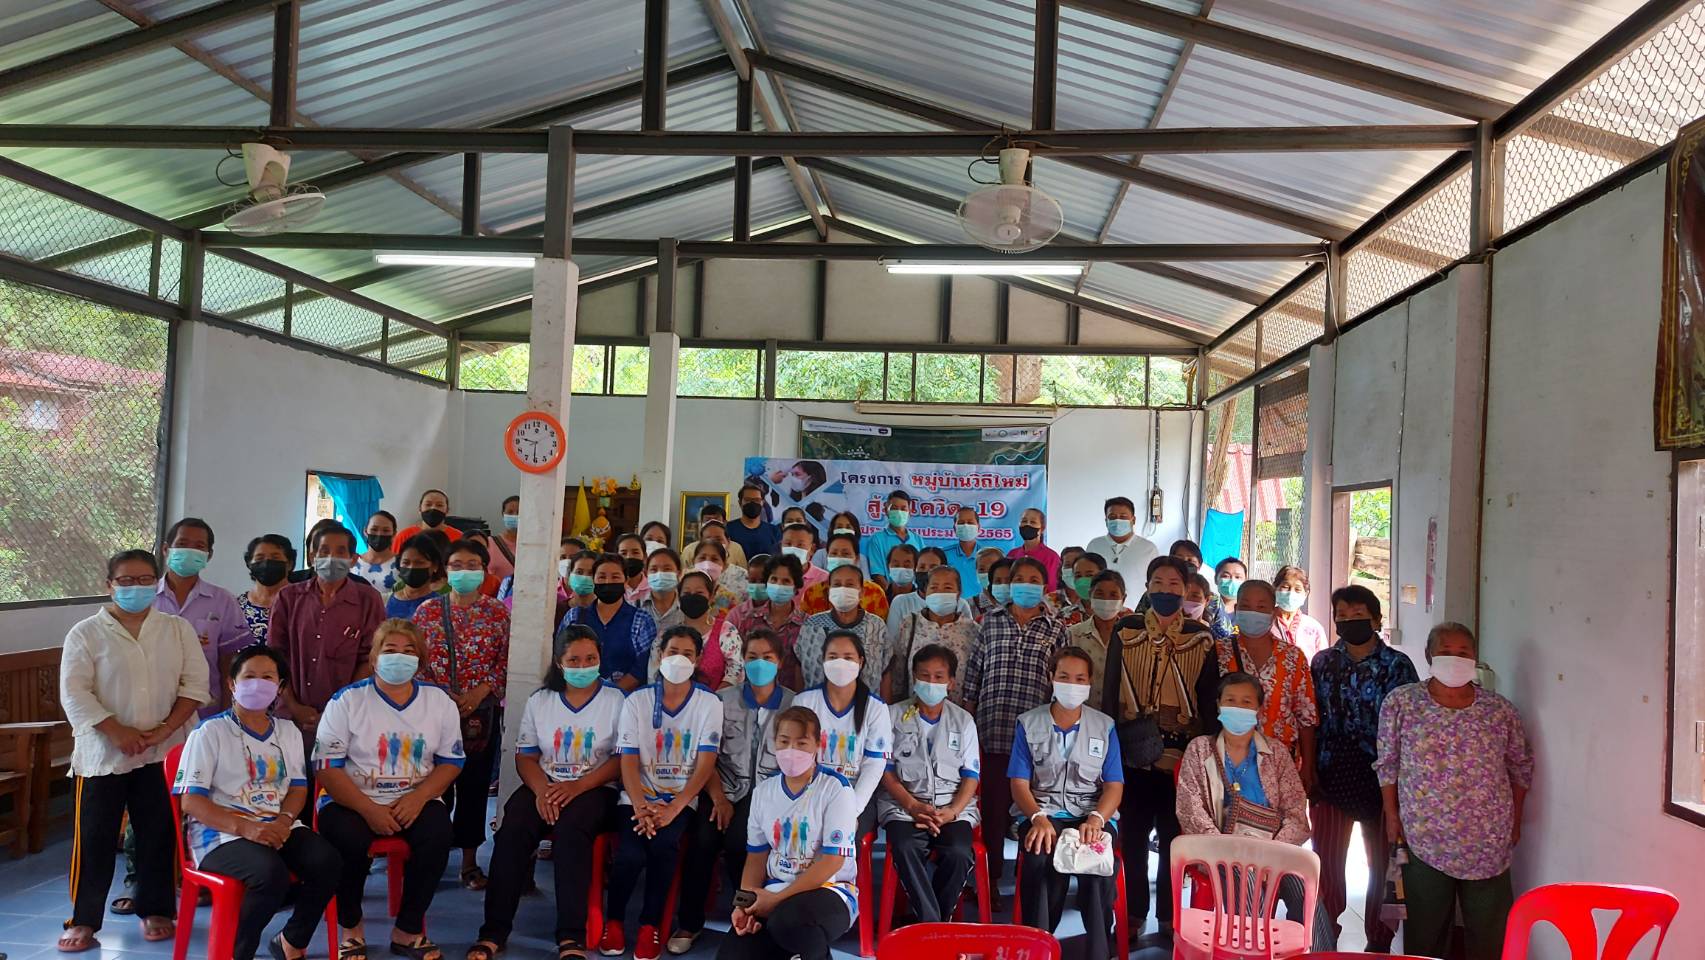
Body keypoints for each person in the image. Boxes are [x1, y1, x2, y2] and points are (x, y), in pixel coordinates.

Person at [58, 549, 210, 953]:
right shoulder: (86, 633)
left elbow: (195, 685)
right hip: (103, 753)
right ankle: (83, 919)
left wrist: (165, 730)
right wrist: (118, 732)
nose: (135, 587)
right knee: (94, 837)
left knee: (157, 833)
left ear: (156, 583)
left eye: (144, 580)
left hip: (163, 750)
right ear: (109, 585)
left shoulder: (176, 629)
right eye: (125, 580)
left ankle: (156, 909)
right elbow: (75, 694)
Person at [1377, 623, 1533, 960]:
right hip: (1425, 836)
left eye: (1463, 652)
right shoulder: (1402, 703)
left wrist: (1516, 819)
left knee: (1490, 932)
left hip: (1487, 839)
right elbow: (1387, 763)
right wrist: (1392, 815)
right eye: (1445, 651)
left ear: (1475, 658)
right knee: (1426, 931)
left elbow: (1521, 767)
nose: (1454, 658)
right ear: (1429, 655)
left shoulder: (1499, 710)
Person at [174, 645, 340, 960]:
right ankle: (236, 951)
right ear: (232, 683)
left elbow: (298, 788)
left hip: (277, 825)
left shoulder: (288, 732)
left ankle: (290, 940)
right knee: (270, 874)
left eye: (267, 677)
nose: (257, 684)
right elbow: (191, 802)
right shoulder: (209, 732)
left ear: (279, 687)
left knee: (327, 861)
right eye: (249, 676)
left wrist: (284, 820)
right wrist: (247, 828)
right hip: (220, 833)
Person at [470, 625, 626, 960]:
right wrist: (542, 791)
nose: (583, 666)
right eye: (574, 660)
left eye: (590, 659)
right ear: (559, 663)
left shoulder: (616, 700)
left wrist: (577, 786)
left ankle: (571, 937)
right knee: (513, 829)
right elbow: (525, 757)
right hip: (546, 783)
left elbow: (621, 761)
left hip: (595, 787)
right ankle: (493, 932)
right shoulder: (540, 700)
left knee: (572, 832)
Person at [314, 619, 462, 960]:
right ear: (374, 657)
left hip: (415, 797)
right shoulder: (347, 701)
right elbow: (326, 768)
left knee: (438, 834)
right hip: (351, 800)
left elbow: (451, 761)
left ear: (420, 660)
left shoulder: (439, 702)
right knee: (348, 839)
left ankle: (408, 930)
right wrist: (369, 809)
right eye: (390, 649)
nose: (400, 657)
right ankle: (351, 927)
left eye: (409, 651)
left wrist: (419, 798)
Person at [1104, 556, 1221, 932]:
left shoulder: (1202, 638)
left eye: (1174, 584)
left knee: (1174, 838)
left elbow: (1208, 701)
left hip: (1181, 759)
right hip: (1132, 753)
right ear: (1147, 587)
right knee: (1134, 836)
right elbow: (1110, 692)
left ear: (1186, 591)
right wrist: (1109, 750)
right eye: (1158, 582)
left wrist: (1206, 756)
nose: (1165, 590)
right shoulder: (1126, 630)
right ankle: (1135, 913)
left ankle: (1169, 917)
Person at [1175, 672, 1333, 947]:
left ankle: (1319, 952)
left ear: (1258, 708)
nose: (1238, 707)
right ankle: (1248, 951)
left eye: (1246, 702)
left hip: (1274, 848)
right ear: (1219, 705)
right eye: (1230, 700)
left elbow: (1296, 814)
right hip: (1220, 850)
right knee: (1246, 880)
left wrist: (1273, 856)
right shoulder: (1199, 749)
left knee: (1305, 889)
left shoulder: (1277, 753)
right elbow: (1190, 809)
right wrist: (1226, 850)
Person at [671, 629, 794, 954]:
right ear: (742, 660)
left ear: (780, 662)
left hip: (771, 795)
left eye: (767, 658)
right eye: (752, 657)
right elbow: (706, 758)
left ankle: (750, 917)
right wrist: (719, 798)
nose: (759, 664)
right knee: (703, 838)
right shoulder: (722, 701)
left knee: (742, 840)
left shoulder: (794, 704)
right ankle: (690, 922)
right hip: (723, 789)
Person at [604, 626, 724, 960]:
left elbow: (705, 764)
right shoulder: (637, 701)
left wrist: (674, 808)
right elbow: (628, 759)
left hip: (680, 800)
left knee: (664, 846)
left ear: (697, 660)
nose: (679, 659)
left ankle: (650, 925)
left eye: (687, 654)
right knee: (629, 854)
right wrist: (640, 805)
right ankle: (613, 921)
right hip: (636, 798)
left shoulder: (709, 703)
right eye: (673, 652)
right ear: (660, 655)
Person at [1311, 585, 1417, 952]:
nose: (1349, 621)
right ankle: (1325, 936)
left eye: (1358, 614)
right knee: (1326, 862)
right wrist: (1310, 771)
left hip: (1384, 778)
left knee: (1387, 865)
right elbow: (1312, 718)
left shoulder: (1398, 665)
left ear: (1376, 619)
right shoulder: (1323, 662)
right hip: (1331, 773)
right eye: (1342, 615)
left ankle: (1380, 941)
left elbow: (1410, 725)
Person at [961, 555, 1068, 900]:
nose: (1025, 585)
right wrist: (969, 727)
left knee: (1032, 812)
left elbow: (1061, 686)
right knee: (992, 813)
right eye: (1018, 578)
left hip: (1035, 741)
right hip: (992, 731)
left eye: (1033, 579)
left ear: (1044, 586)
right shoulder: (990, 623)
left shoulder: (1057, 629)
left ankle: (1028, 884)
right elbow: (973, 677)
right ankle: (990, 880)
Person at [717, 706, 859, 960]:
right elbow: (756, 856)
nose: (791, 750)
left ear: (818, 744)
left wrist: (777, 900)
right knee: (732, 954)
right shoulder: (764, 792)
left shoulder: (836, 789)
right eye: (784, 741)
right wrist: (745, 903)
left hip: (830, 890)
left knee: (787, 921)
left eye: (801, 743)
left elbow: (832, 861)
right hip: (776, 889)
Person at [1008, 647, 1123, 960]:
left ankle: (1099, 951)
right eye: (1064, 677)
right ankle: (1038, 945)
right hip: (1042, 812)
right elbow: (1019, 784)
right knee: (1039, 857)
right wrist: (1037, 817)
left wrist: (1097, 819)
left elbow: (1114, 786)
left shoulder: (1105, 726)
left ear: (1090, 682)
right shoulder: (1028, 723)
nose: (1072, 684)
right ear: (1051, 678)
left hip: (1091, 814)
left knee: (1097, 863)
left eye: (1080, 679)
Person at [413, 539, 510, 891]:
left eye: (472, 565)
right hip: (433, 713)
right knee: (434, 785)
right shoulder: (427, 612)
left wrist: (481, 691)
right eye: (457, 565)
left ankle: (469, 862)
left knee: (474, 787)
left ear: (484, 570)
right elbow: (415, 659)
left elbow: (506, 661)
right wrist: (441, 697)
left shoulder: (497, 613)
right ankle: (431, 856)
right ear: (445, 569)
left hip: (479, 715)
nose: (464, 571)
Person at [879, 644, 980, 924]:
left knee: (959, 853)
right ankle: (935, 926)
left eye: (938, 677)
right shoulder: (891, 716)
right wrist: (912, 806)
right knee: (905, 847)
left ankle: (930, 925)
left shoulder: (964, 721)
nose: (931, 682)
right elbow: (886, 771)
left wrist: (952, 812)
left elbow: (971, 776)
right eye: (924, 675)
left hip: (952, 808)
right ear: (914, 678)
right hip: (904, 808)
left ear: (951, 682)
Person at [267, 524, 383, 752]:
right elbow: (274, 657)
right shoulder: (288, 597)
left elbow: (371, 658)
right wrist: (294, 706)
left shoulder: (369, 599)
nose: (331, 558)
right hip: (290, 715)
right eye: (324, 551)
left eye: (341, 551)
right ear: (312, 557)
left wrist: (337, 708)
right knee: (289, 771)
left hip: (347, 715)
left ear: (353, 559)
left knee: (335, 772)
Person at [791, 631, 892, 836]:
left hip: (856, 796)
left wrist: (851, 810)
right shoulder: (804, 702)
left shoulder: (876, 708)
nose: (840, 664)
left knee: (842, 835)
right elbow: (797, 758)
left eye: (848, 657)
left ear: (860, 662)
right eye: (833, 657)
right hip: (811, 793)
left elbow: (874, 766)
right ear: (823, 661)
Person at [1219, 580, 1318, 779]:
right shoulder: (1219, 652)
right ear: (1236, 610)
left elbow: (1306, 716)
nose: (1253, 612)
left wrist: (1308, 767)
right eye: (1246, 606)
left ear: (1273, 613)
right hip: (1229, 762)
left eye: (1261, 607)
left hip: (1281, 764)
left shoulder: (1293, 657)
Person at [154, 517, 250, 716]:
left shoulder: (223, 601)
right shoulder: (147, 598)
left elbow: (228, 661)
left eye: (199, 546)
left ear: (209, 555)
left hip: (205, 709)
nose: (190, 551)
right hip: (153, 707)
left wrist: (226, 710)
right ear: (165, 549)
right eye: (182, 544)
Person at [559, 553, 657, 692]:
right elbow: (561, 655)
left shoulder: (641, 620)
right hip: (578, 695)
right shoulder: (574, 616)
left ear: (626, 580)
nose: (608, 582)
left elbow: (641, 667)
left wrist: (610, 694)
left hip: (625, 699)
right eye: (602, 577)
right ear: (594, 580)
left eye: (615, 577)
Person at [886, 565, 979, 699]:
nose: (940, 593)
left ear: (958, 594)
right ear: (925, 592)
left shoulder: (972, 630)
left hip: (958, 708)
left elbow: (975, 676)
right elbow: (898, 670)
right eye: (934, 588)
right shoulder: (910, 624)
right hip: (914, 706)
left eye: (947, 588)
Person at [794, 563, 889, 691]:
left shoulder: (876, 625)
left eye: (850, 585)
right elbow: (799, 666)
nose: (843, 589)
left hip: (867, 701)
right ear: (829, 591)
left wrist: (883, 703)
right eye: (837, 585)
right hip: (815, 700)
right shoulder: (812, 625)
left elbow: (886, 671)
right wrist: (800, 699)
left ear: (862, 592)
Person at [648, 570, 743, 689]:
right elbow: (654, 674)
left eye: (699, 593)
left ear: (711, 597)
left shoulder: (726, 631)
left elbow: (736, 671)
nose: (692, 597)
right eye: (687, 593)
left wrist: (713, 697)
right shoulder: (666, 634)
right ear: (679, 597)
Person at [729, 555, 807, 671]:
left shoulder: (806, 625)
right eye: (774, 579)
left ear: (795, 587)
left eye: (786, 581)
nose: (778, 586)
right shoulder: (747, 619)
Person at [1068, 569, 1128, 705]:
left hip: (1123, 713)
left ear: (1123, 599)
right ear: (1090, 596)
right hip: (1084, 711)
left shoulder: (1132, 637)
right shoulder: (1073, 634)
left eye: (1113, 595)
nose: (1106, 600)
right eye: (1099, 594)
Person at [885, 547, 974, 636]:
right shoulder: (901, 602)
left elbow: (969, 636)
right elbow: (892, 639)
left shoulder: (960, 604)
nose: (927, 572)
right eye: (922, 567)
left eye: (933, 568)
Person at [801, 532, 888, 618]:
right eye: (834, 553)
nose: (839, 557)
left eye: (846, 554)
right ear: (827, 557)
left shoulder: (875, 593)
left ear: (857, 559)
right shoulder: (812, 593)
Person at [1086, 496, 1160, 593]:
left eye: (1123, 517)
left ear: (1133, 520)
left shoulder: (1149, 549)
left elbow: (1156, 582)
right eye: (1112, 517)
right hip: (1100, 601)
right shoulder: (1094, 546)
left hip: (1137, 603)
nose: (1117, 521)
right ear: (1106, 521)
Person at [239, 534, 295, 641]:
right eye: (260, 558)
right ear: (249, 564)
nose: (266, 563)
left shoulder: (304, 603)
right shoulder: (237, 606)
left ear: (289, 564)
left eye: (275, 557)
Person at [860, 489, 924, 578]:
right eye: (894, 508)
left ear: (909, 512)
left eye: (903, 509)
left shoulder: (917, 539)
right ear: (886, 511)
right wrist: (890, 587)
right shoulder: (877, 540)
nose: (899, 512)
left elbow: (922, 570)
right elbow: (877, 574)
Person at [1273, 564, 1330, 662]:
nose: (1291, 593)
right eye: (1285, 587)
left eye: (1297, 589)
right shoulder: (1264, 623)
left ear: (1306, 594)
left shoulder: (1314, 628)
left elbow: (1324, 663)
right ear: (1275, 588)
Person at [388, 534, 445, 621]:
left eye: (419, 563)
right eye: (406, 563)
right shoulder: (386, 601)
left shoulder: (441, 606)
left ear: (435, 566)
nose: (411, 567)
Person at [1007, 507, 1060, 590]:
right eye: (1024, 521)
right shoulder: (1012, 554)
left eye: (1033, 522)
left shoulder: (1051, 557)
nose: (1027, 525)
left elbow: (1050, 588)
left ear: (1042, 528)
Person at [688, 538, 746, 614]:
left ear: (724, 564)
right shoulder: (685, 591)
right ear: (693, 561)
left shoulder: (729, 599)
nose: (707, 564)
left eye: (714, 559)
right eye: (702, 558)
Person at [729, 483, 783, 561]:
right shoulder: (728, 529)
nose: (752, 503)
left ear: (762, 502)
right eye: (747, 500)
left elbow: (779, 559)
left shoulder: (774, 531)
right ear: (740, 502)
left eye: (757, 500)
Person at [1054, 550, 1108, 626]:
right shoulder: (1065, 616)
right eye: (1078, 576)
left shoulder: (1120, 615)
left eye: (1089, 575)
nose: (1083, 581)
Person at [395, 489, 462, 548]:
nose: (433, 508)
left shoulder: (459, 537)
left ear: (447, 510)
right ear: (420, 509)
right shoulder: (404, 536)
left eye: (439, 505)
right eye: (428, 504)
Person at [943, 505, 985, 599]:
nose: (966, 526)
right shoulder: (944, 554)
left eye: (970, 522)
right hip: (952, 604)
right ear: (954, 528)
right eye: (961, 523)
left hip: (982, 605)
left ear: (978, 527)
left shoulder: (988, 555)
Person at [352, 510, 400, 592]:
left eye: (386, 530)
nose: (379, 534)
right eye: (374, 529)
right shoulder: (353, 562)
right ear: (365, 531)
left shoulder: (402, 563)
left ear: (394, 534)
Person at [641, 547, 686, 633]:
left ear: (679, 573)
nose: (660, 574)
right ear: (646, 573)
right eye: (654, 570)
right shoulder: (636, 605)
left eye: (667, 569)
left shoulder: (687, 607)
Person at [460, 531, 506, 597]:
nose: (477, 550)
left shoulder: (493, 582)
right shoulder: (452, 577)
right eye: (472, 545)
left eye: (482, 547)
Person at [779, 523, 825, 589]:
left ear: (812, 549)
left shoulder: (825, 579)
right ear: (781, 546)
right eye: (788, 544)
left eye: (800, 545)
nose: (793, 549)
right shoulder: (770, 574)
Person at [487, 495, 520, 584]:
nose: (515, 515)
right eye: (510, 512)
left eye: (519, 512)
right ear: (503, 514)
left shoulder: (532, 546)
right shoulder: (490, 543)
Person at [615, 533, 651, 605]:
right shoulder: (611, 588)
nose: (629, 557)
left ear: (644, 557)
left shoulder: (653, 588)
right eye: (623, 553)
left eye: (635, 552)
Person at [1215, 558, 1247, 635]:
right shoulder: (1207, 607)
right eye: (1226, 576)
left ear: (1245, 581)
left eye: (1237, 577)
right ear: (1215, 579)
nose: (1232, 580)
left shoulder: (1248, 610)